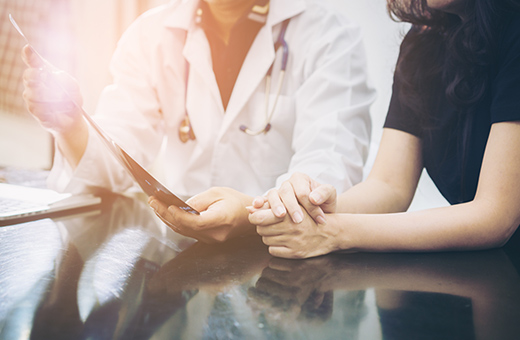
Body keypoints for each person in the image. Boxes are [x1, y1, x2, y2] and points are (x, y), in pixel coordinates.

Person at [21, 0, 375, 242]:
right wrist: (70, 126)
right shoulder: (150, 34)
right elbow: (117, 160)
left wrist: (251, 215)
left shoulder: (330, 36)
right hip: (180, 252)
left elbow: (328, 173)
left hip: (288, 259)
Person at [248, 0, 520, 258]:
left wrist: (335, 232)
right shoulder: (423, 40)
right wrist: (314, 208)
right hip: (480, 271)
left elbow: (494, 216)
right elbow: (389, 186)